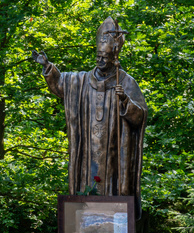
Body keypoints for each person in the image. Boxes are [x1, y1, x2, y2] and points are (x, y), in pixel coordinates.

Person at [33, 17, 147, 218]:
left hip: (114, 153)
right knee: (87, 186)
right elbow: (61, 84)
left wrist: (125, 102)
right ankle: (86, 229)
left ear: (113, 56)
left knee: (112, 186)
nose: (100, 61)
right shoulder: (82, 80)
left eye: (105, 57)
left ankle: (115, 230)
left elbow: (139, 116)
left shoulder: (127, 82)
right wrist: (48, 67)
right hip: (87, 153)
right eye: (98, 57)